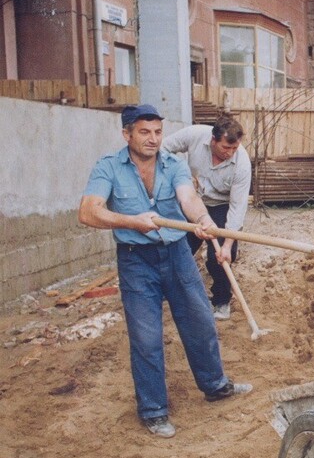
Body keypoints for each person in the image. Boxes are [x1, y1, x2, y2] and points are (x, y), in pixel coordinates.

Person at [79, 104, 252, 438]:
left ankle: (215, 386)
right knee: (146, 337)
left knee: (200, 321)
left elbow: (189, 199)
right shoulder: (108, 167)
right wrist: (131, 221)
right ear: (126, 133)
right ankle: (154, 410)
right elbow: (88, 212)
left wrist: (202, 221)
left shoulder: (174, 164)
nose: (153, 139)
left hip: (176, 254)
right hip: (135, 260)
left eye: (158, 132)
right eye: (144, 132)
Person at [162, 115, 252, 320]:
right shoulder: (194, 135)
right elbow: (163, 148)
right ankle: (167, 291)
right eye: (225, 148)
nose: (230, 153)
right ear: (213, 140)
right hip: (193, 201)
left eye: (234, 149)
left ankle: (221, 302)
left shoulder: (242, 164)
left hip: (222, 205)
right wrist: (180, 174)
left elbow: (238, 208)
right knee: (178, 248)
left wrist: (228, 245)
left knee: (218, 259)